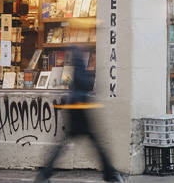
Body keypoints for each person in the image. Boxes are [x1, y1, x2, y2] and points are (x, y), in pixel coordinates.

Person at [36, 46, 125, 183]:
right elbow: (84, 83)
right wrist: (92, 80)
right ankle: (111, 174)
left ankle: (45, 174)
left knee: (65, 145)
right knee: (96, 144)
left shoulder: (75, 65)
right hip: (80, 110)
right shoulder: (79, 65)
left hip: (76, 109)